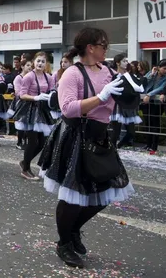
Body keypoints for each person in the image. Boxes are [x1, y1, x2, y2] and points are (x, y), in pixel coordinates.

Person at [38, 27, 134, 269]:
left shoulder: (108, 71)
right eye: (103, 45)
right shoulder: (73, 73)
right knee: (73, 195)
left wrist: (133, 92)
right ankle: (64, 243)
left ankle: (73, 230)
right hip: (76, 136)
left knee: (107, 189)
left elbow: (122, 100)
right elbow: (68, 108)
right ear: (90, 47)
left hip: (101, 135)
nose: (107, 50)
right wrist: (102, 97)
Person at [13, 52, 55, 180]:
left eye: (43, 61)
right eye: (38, 61)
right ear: (34, 62)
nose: (40, 64)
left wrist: (50, 96)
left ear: (46, 63)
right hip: (30, 110)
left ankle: (24, 162)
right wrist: (36, 97)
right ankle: (26, 169)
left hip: (42, 110)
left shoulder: (49, 77)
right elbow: (22, 95)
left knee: (42, 142)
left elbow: (52, 91)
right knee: (32, 141)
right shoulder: (28, 77)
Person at [109, 53, 143, 149]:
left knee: (131, 132)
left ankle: (118, 146)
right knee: (116, 132)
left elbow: (137, 87)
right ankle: (111, 150)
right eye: (124, 61)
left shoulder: (130, 76)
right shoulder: (114, 76)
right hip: (118, 105)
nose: (126, 63)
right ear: (118, 63)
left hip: (128, 105)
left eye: (126, 61)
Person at [142, 60, 166, 152]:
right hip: (146, 102)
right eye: (164, 68)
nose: (165, 70)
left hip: (156, 102)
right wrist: (151, 74)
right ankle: (148, 143)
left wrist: (149, 94)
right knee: (147, 123)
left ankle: (154, 145)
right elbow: (143, 81)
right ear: (158, 67)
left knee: (155, 124)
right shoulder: (152, 74)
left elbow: (161, 88)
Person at [8, 59, 33, 150]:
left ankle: (26, 141)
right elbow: (18, 92)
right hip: (21, 102)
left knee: (29, 122)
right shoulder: (18, 78)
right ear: (22, 66)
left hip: (30, 102)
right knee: (21, 123)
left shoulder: (32, 77)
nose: (30, 67)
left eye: (31, 65)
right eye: (27, 65)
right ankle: (19, 142)